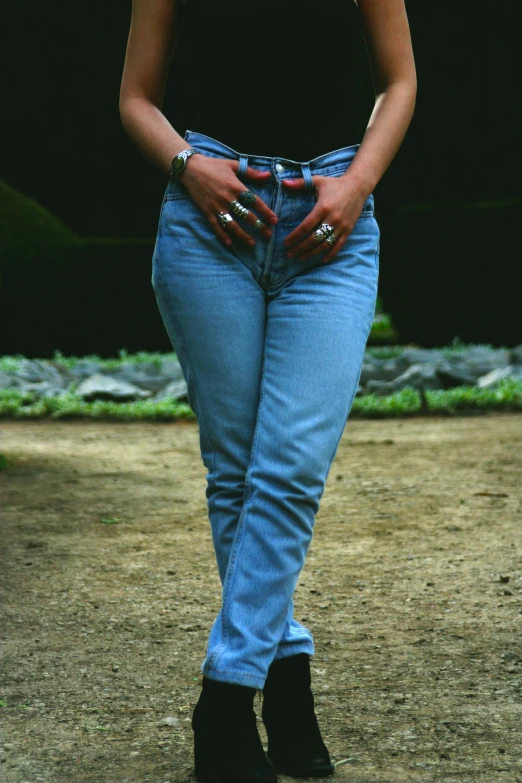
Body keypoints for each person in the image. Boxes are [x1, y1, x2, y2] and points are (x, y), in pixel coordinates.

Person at [120, 0, 416, 779]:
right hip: (209, 220)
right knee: (237, 474)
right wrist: (189, 166)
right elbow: (135, 97)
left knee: (286, 471)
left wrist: (356, 185)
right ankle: (285, 681)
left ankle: (225, 696)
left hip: (332, 225)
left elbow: (401, 78)